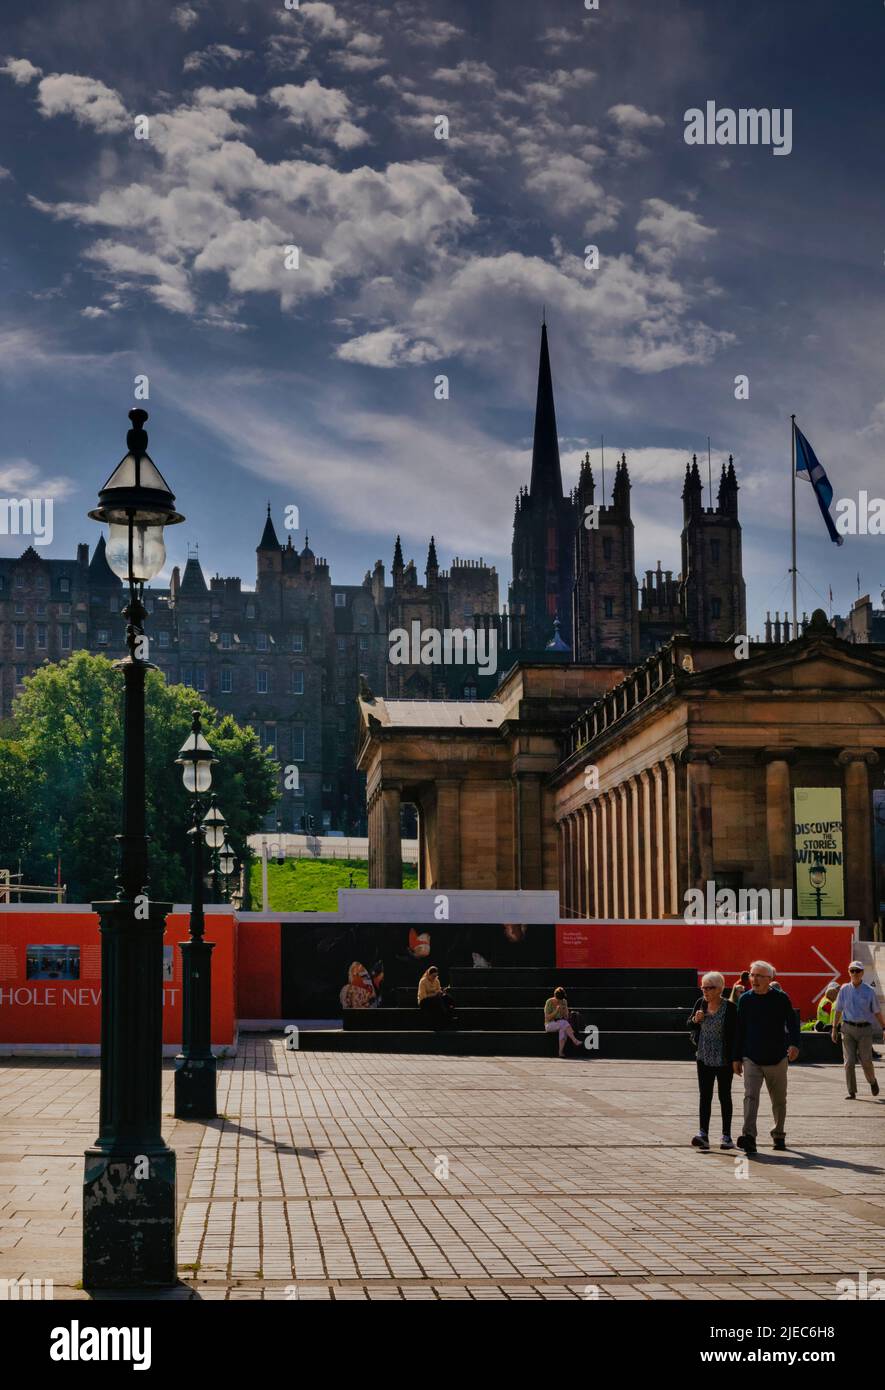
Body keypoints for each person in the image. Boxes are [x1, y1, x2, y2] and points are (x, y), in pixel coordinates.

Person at [733, 960, 800, 1153]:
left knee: (779, 1100)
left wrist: (794, 1044)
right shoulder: (745, 999)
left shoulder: (781, 998)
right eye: (752, 975)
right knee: (750, 1097)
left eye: (759, 976)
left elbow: (793, 1023)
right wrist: (736, 1057)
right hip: (751, 1058)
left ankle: (778, 1134)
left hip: (777, 1058)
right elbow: (740, 1029)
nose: (754, 979)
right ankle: (749, 1136)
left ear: (770, 979)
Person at [687, 971, 737, 1150]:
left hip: (723, 1059)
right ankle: (703, 1134)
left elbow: (734, 1035)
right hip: (703, 1057)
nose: (705, 991)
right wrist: (695, 1019)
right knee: (705, 1096)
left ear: (720, 989)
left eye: (709, 988)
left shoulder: (730, 1008)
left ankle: (726, 1136)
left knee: (725, 1096)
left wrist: (735, 1059)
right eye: (703, 987)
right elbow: (689, 1024)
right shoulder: (700, 1003)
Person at [832, 962, 884, 1100]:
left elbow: (877, 1012)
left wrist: (884, 1028)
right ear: (849, 972)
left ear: (862, 973)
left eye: (858, 971)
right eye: (852, 971)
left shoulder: (869, 991)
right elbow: (838, 1010)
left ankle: (872, 1081)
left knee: (866, 1061)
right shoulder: (843, 989)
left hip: (865, 1029)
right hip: (847, 1028)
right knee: (849, 1062)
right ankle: (852, 1091)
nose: (855, 973)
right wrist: (834, 1028)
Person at [543, 986, 583, 1058]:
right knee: (564, 1024)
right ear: (555, 996)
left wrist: (564, 1011)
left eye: (561, 999)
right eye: (558, 999)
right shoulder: (549, 1002)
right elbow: (547, 1018)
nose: (560, 1001)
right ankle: (575, 1040)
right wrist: (556, 1011)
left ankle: (560, 1052)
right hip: (549, 1024)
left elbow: (566, 1017)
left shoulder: (564, 1001)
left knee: (563, 1029)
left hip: (561, 1023)